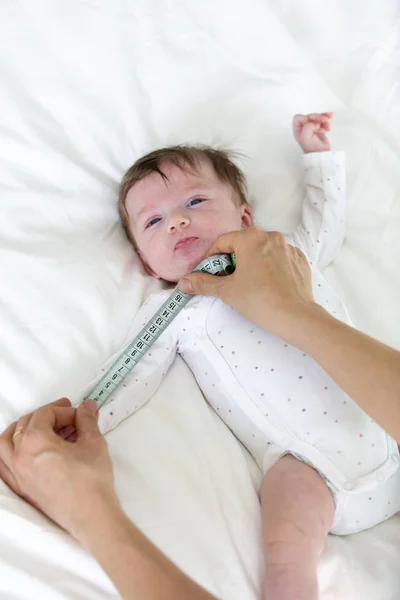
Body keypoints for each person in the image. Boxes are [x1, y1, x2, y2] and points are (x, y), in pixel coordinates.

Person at [0, 112, 399, 600]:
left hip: (383, 417)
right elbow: (131, 374)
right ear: (147, 263)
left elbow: (325, 226)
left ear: (246, 219)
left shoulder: (284, 253)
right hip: (308, 468)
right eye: (154, 221)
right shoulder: (174, 308)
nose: (178, 220)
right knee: (285, 540)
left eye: (194, 201)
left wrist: (319, 159)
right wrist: (83, 418)